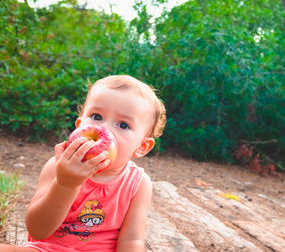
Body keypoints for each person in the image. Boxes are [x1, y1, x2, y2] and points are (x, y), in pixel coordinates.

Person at [0, 75, 166, 252]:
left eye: (123, 125)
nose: (104, 129)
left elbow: (132, 240)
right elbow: (37, 230)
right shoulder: (57, 166)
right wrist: (65, 184)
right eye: (96, 116)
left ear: (141, 146)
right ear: (79, 125)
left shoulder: (138, 184)